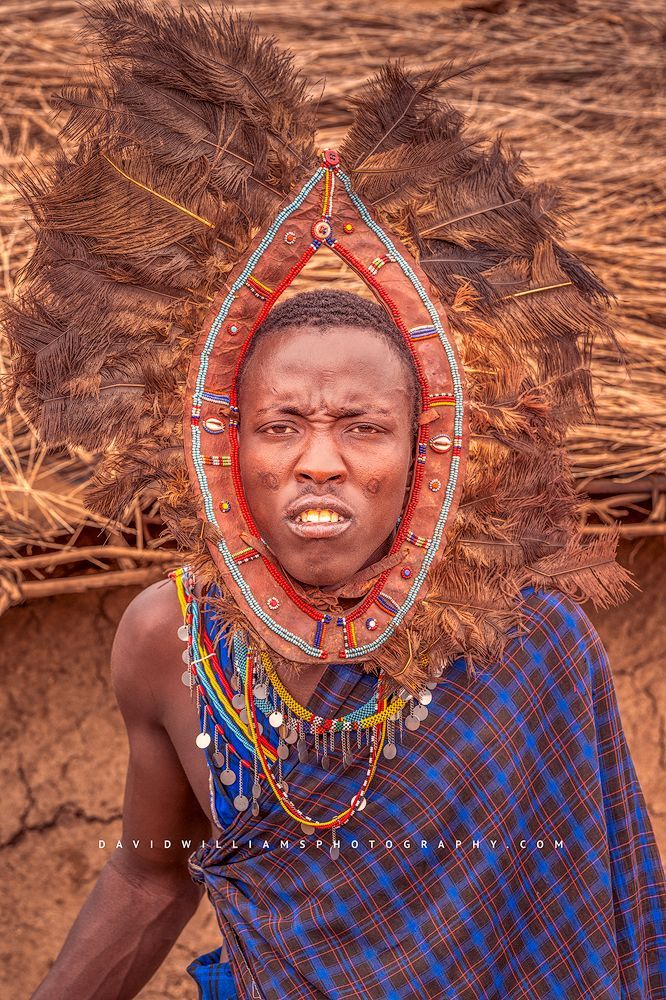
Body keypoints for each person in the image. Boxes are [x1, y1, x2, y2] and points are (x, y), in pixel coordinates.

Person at [5, 2, 664, 997]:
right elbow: (149, 871)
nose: (319, 460)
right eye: (280, 426)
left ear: (427, 451)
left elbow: (589, 922)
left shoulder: (528, 645)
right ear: (225, 450)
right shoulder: (169, 643)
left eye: (362, 426)